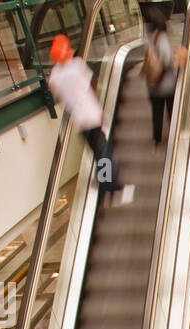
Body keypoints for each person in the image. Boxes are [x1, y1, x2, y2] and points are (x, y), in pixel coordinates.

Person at [48, 35, 133, 204]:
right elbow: (91, 84)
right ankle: (112, 184)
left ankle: (105, 183)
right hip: (91, 114)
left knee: (97, 151)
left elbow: (56, 93)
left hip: (79, 119)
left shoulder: (54, 76)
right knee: (104, 150)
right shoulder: (77, 65)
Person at [143, 8, 187, 148]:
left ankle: (156, 139)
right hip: (166, 85)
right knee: (171, 110)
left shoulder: (149, 37)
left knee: (156, 112)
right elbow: (167, 60)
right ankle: (175, 135)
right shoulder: (161, 37)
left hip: (152, 84)